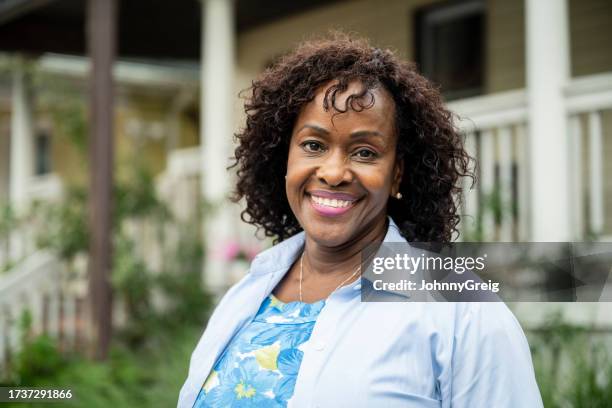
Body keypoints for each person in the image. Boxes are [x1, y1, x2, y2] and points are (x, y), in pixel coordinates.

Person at [178, 34, 543, 407]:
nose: (333, 172)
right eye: (313, 145)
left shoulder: (461, 309)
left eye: (365, 152)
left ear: (397, 174)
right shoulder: (250, 292)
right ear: (282, 157)